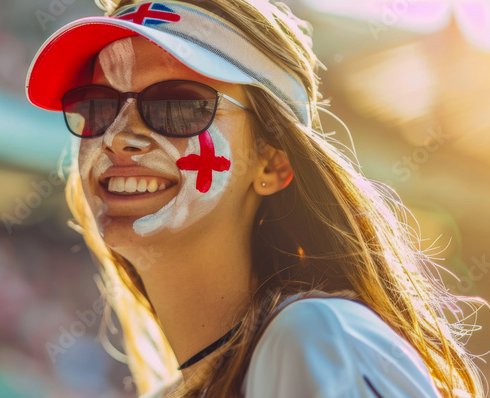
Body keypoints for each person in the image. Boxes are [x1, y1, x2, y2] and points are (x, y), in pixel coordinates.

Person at [25, 0, 485, 396]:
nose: (118, 138)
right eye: (97, 106)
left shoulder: (318, 339)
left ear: (272, 163)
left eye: (179, 106)